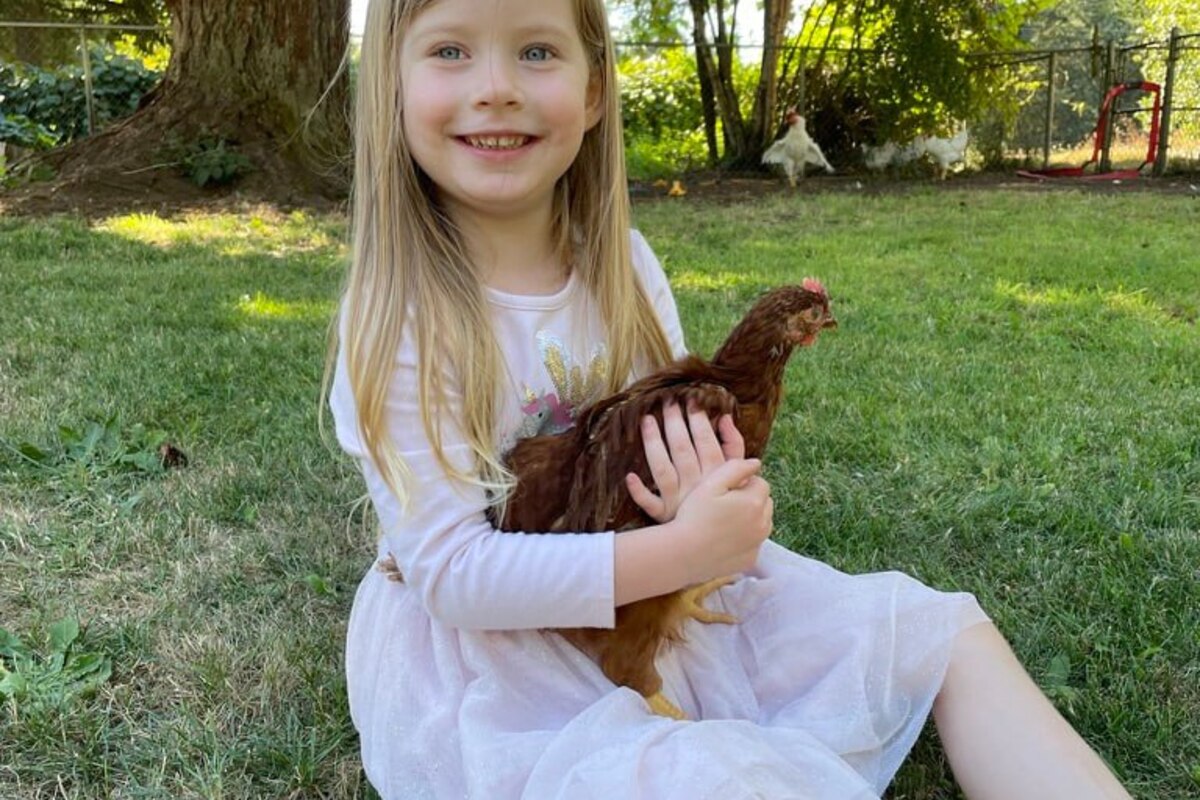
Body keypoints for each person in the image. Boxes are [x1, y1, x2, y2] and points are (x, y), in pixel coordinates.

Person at [326, 0, 1133, 797]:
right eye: (450, 52)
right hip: (500, 649)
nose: (497, 87)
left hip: (654, 584)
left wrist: (699, 497)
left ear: (596, 89)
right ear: (389, 85)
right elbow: (454, 575)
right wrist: (686, 550)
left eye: (537, 52)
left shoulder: (628, 267)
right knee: (692, 776)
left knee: (940, 630)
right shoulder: (397, 318)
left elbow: (669, 446)